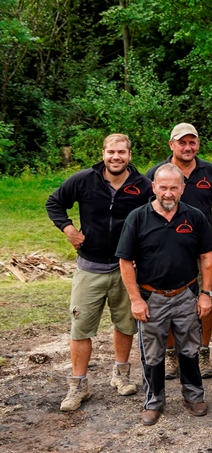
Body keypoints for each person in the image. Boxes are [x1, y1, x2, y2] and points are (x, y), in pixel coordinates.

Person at [45, 134, 152, 412]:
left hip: (126, 269)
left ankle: (121, 374)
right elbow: (54, 203)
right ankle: (78, 384)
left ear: (130, 155)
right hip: (89, 267)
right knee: (80, 327)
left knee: (126, 324)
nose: (116, 157)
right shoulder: (83, 180)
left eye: (121, 152)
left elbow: (153, 219)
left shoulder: (142, 186)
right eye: (111, 152)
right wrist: (69, 229)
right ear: (103, 153)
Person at [116, 164, 212, 426]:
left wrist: (205, 294)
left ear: (183, 189)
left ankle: (194, 396)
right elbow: (125, 262)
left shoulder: (195, 217)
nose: (169, 193)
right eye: (163, 187)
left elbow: (207, 256)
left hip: (186, 293)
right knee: (152, 354)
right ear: (154, 187)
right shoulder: (137, 218)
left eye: (174, 187)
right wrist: (136, 300)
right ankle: (154, 402)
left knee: (190, 348)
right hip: (151, 297)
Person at [147, 123, 212, 379]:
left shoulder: (210, 172)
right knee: (168, 301)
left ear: (198, 144)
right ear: (171, 145)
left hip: (202, 250)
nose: (187, 147)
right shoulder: (158, 173)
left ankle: (203, 353)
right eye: (181, 142)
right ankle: (172, 355)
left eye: (192, 142)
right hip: (166, 251)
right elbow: (145, 213)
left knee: (205, 299)